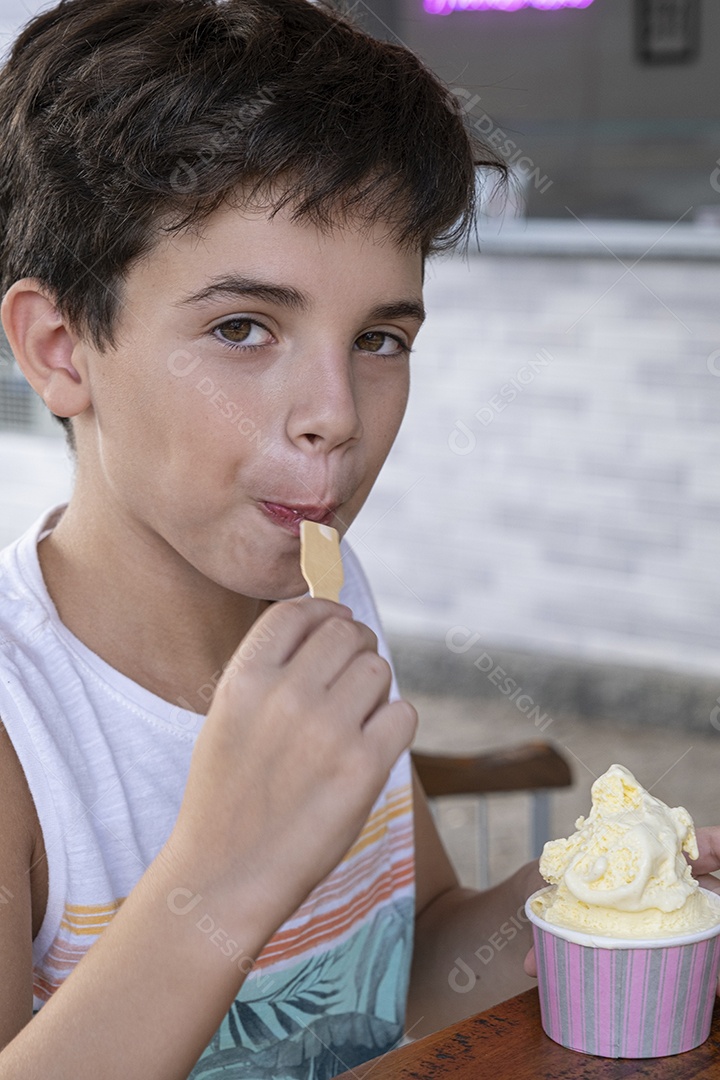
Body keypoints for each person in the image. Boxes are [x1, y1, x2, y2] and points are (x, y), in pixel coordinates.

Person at [0, 0, 718, 1076]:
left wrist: (612, 894)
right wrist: (230, 868)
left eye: (381, 338)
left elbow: (416, 964)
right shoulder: (26, 734)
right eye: (244, 327)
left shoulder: (325, 603)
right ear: (61, 349)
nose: (337, 411)